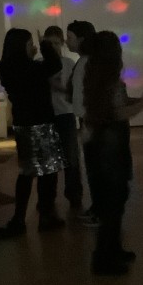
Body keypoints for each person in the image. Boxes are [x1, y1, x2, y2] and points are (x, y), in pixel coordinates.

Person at [83, 31, 143, 275]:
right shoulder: (109, 81)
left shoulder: (96, 77)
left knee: (114, 199)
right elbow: (119, 112)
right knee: (114, 202)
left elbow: (119, 104)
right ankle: (103, 258)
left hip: (103, 143)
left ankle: (112, 250)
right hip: (110, 145)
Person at [0, 28, 65, 234]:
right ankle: (46, 215)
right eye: (29, 44)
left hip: (22, 124)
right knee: (48, 171)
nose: (32, 47)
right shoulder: (31, 68)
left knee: (26, 172)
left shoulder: (6, 68)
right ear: (21, 46)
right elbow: (55, 65)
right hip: (42, 122)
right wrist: (45, 45)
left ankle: (19, 218)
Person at [43, 26, 83, 210]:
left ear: (61, 44)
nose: (53, 47)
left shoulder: (68, 64)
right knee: (49, 160)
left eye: (56, 43)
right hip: (48, 115)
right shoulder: (40, 64)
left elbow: (74, 90)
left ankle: (74, 195)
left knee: (71, 158)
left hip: (65, 114)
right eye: (50, 43)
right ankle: (48, 198)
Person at [66, 20, 99, 226]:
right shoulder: (85, 62)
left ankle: (100, 210)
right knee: (93, 166)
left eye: (70, 37)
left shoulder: (88, 63)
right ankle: (97, 207)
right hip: (87, 119)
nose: (66, 41)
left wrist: (89, 122)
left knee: (95, 167)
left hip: (90, 120)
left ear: (82, 39)